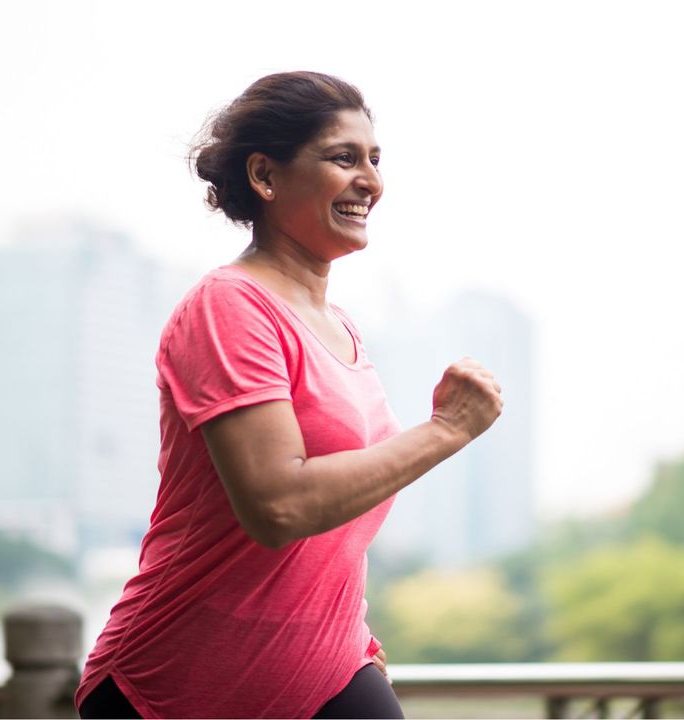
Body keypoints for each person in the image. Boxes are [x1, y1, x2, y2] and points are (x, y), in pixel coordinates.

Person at [74, 71, 504, 719]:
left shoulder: (343, 329)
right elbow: (277, 506)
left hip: (327, 670)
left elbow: (341, 519)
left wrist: (349, 630)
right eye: (343, 158)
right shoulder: (229, 306)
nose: (371, 181)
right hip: (180, 681)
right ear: (265, 177)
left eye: (375, 160)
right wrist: (444, 430)